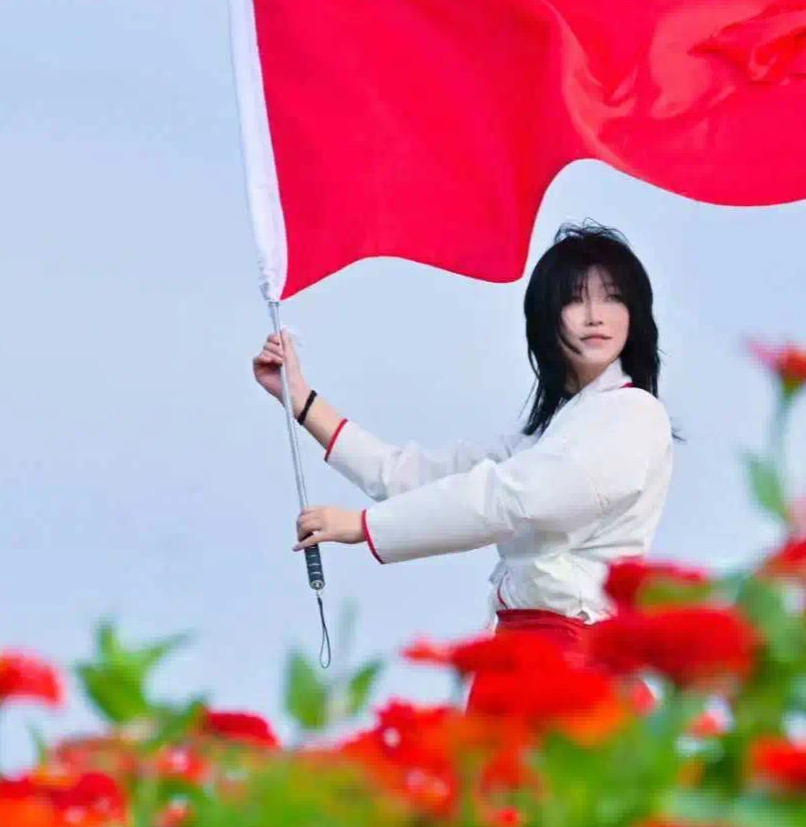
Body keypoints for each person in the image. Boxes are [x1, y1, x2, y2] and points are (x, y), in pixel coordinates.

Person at [251, 220, 675, 712]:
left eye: (613, 298)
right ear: (547, 317)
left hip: (576, 665)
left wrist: (365, 526)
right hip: (523, 654)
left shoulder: (632, 413)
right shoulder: (550, 435)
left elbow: (515, 499)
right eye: (575, 300)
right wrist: (299, 398)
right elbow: (409, 476)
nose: (596, 316)